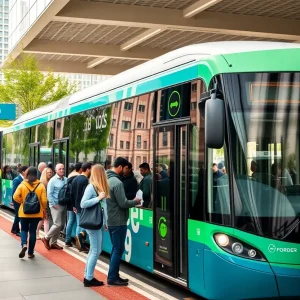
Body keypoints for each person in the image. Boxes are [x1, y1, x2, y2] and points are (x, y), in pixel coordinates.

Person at [106, 157, 141, 286]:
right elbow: (123, 203)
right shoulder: (117, 182)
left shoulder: (106, 179)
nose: (126, 171)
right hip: (118, 220)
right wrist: (136, 202)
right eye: (125, 168)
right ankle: (113, 277)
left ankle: (114, 275)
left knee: (115, 248)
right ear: (120, 167)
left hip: (110, 219)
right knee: (118, 249)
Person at [81, 164, 108, 287]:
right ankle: (89, 278)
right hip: (93, 223)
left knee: (96, 249)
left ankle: (87, 275)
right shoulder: (91, 188)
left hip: (99, 223)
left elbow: (104, 208)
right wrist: (98, 198)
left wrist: (106, 222)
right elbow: (83, 204)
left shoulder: (99, 187)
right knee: (95, 250)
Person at [13, 167, 47, 259]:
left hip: (24, 212)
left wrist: (22, 202)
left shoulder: (22, 184)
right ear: (36, 174)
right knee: (33, 231)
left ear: (27, 174)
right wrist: (43, 210)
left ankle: (24, 244)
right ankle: (30, 252)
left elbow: (15, 196)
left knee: (23, 229)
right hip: (36, 213)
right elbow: (44, 201)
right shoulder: (40, 185)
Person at [42, 163, 67, 250]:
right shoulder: (52, 181)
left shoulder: (66, 180)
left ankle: (53, 242)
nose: (62, 170)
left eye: (63, 168)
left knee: (62, 225)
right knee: (57, 224)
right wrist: (53, 204)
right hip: (56, 205)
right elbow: (49, 194)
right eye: (60, 169)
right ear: (56, 170)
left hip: (64, 205)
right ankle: (46, 237)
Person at [70, 162, 92, 251]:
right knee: (84, 225)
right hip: (84, 207)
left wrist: (73, 205)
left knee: (79, 224)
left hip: (77, 206)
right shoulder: (86, 181)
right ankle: (81, 242)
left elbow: (71, 193)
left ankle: (78, 242)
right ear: (87, 169)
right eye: (91, 169)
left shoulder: (75, 179)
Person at [65, 162, 82, 248]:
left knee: (70, 221)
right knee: (79, 223)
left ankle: (67, 240)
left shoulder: (69, 177)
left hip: (70, 203)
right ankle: (78, 242)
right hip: (76, 204)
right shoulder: (78, 178)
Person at [36, 167, 53, 239]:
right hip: (44, 203)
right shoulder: (42, 183)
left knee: (44, 219)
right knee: (45, 219)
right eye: (48, 173)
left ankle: (42, 234)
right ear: (45, 174)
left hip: (47, 203)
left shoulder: (50, 181)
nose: (50, 174)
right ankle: (45, 235)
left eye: (51, 172)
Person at [11, 166, 28, 236]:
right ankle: (16, 230)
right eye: (27, 170)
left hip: (22, 201)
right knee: (18, 215)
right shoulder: (17, 180)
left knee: (18, 215)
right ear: (23, 172)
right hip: (17, 201)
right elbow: (14, 192)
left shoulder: (24, 179)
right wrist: (15, 201)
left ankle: (14, 229)